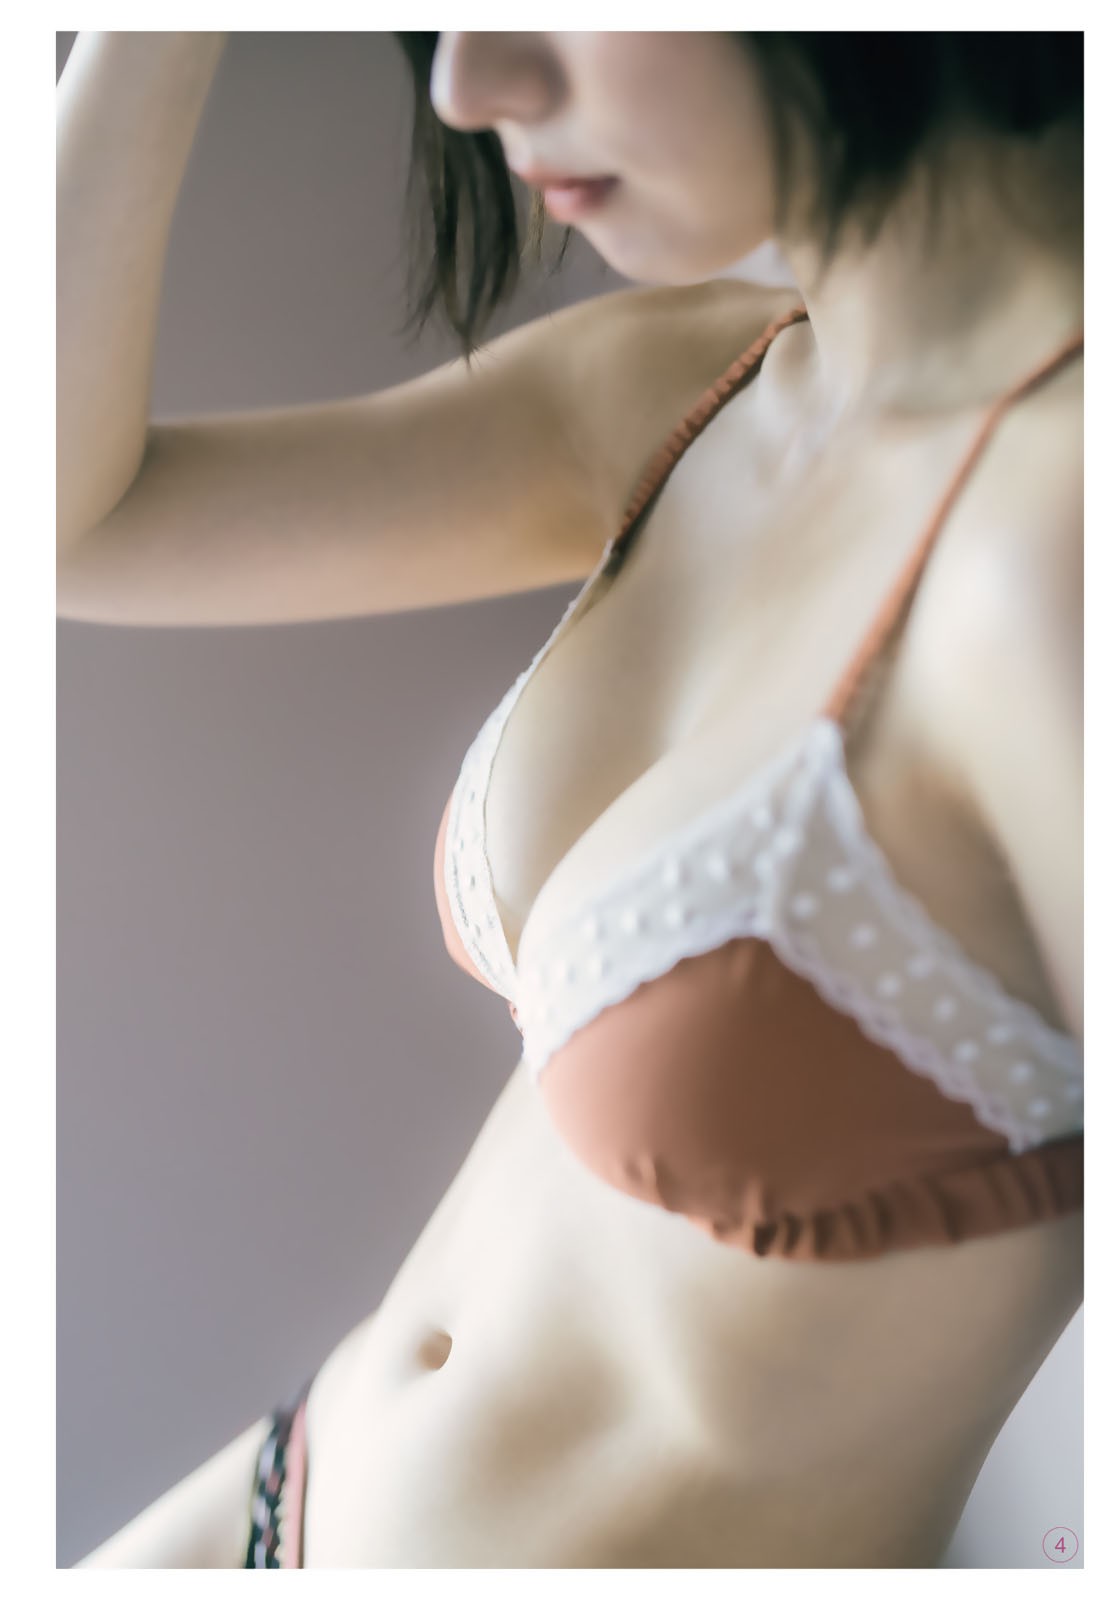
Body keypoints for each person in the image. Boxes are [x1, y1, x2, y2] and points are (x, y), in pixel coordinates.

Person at [61, 31, 1083, 1568]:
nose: (466, 84)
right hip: (263, 1510)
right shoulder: (699, 388)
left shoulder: (1057, 546)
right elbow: (63, 520)